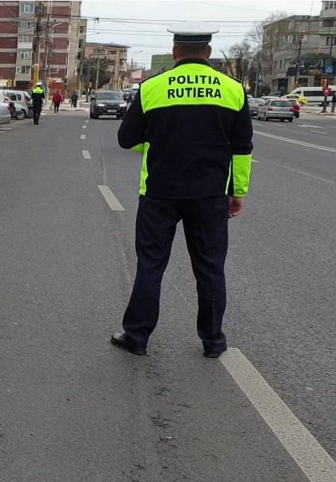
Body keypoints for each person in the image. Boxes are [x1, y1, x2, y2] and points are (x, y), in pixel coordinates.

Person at [110, 22, 253, 359]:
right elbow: (242, 147)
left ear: (175, 53)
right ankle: (214, 341)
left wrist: (158, 141)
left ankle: (137, 337)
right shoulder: (233, 89)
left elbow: (125, 139)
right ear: (209, 53)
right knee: (210, 267)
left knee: (151, 265)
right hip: (210, 195)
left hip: (160, 193)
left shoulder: (152, 88)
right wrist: (238, 191)